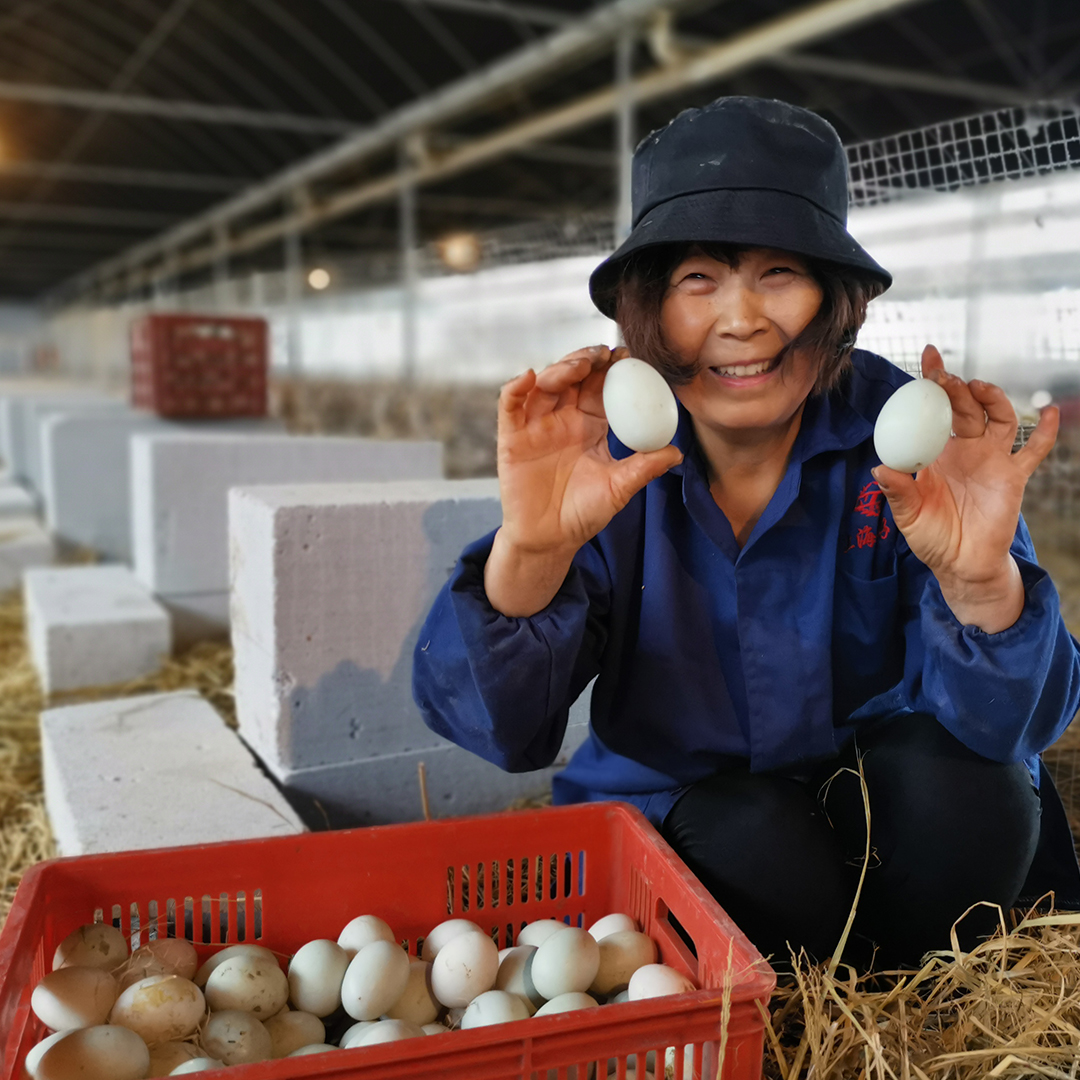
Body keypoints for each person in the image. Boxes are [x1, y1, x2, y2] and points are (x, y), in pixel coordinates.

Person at [411, 96, 1080, 969]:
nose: (741, 319)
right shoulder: (603, 457)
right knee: (755, 839)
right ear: (647, 307)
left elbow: (1018, 724)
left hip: (885, 802)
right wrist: (533, 550)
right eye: (699, 279)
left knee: (970, 791)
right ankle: (845, 986)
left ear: (835, 301)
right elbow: (499, 734)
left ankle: (906, 993)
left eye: (778, 274)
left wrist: (982, 580)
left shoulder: (910, 439)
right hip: (697, 805)